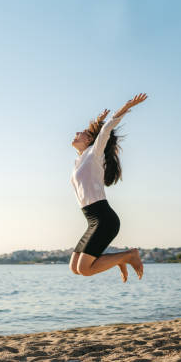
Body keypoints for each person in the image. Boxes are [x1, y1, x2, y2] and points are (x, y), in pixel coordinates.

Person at [69, 93, 147, 281]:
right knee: (75, 268)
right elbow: (94, 130)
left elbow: (106, 129)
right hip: (92, 220)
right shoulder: (80, 160)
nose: (76, 134)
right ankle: (118, 259)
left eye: (81, 133)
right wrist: (97, 120)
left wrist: (126, 106)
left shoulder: (95, 153)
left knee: (86, 269)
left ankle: (128, 255)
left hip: (104, 218)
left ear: (89, 141)